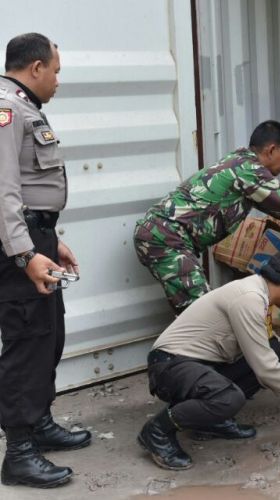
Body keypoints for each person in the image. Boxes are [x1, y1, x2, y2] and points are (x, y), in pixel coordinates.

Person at [134, 120, 280, 314]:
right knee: (200, 314)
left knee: (196, 312)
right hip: (165, 237)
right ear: (271, 150)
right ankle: (190, 365)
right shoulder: (249, 170)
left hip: (166, 236)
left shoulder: (242, 162)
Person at [0, 33, 91, 489]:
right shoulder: (7, 108)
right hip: (17, 245)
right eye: (56, 70)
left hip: (36, 236)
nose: (58, 80)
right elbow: (3, 190)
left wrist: (49, 242)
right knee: (27, 339)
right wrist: (24, 254)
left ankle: (39, 423)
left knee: (49, 333)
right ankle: (18, 452)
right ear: (35, 67)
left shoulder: (26, 108)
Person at [138, 248, 280, 470]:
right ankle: (157, 431)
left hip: (195, 365)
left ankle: (209, 423)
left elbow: (270, 344)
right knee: (228, 398)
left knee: (276, 352)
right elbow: (264, 365)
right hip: (169, 366)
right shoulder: (249, 299)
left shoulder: (258, 293)